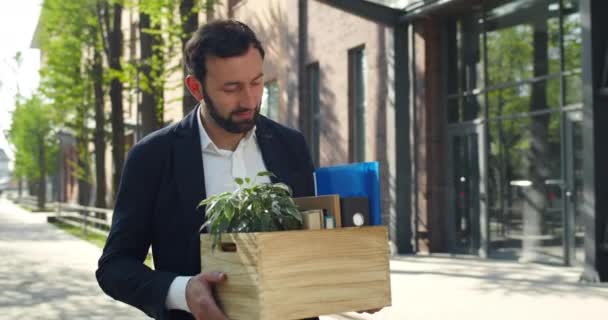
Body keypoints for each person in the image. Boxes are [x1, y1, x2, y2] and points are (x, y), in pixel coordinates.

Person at [96, 20, 316, 320]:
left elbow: (311, 243)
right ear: (196, 87)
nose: (249, 99)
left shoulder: (291, 145)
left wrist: (349, 282)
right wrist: (183, 291)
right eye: (231, 88)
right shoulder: (152, 156)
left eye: (256, 82)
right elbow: (115, 267)